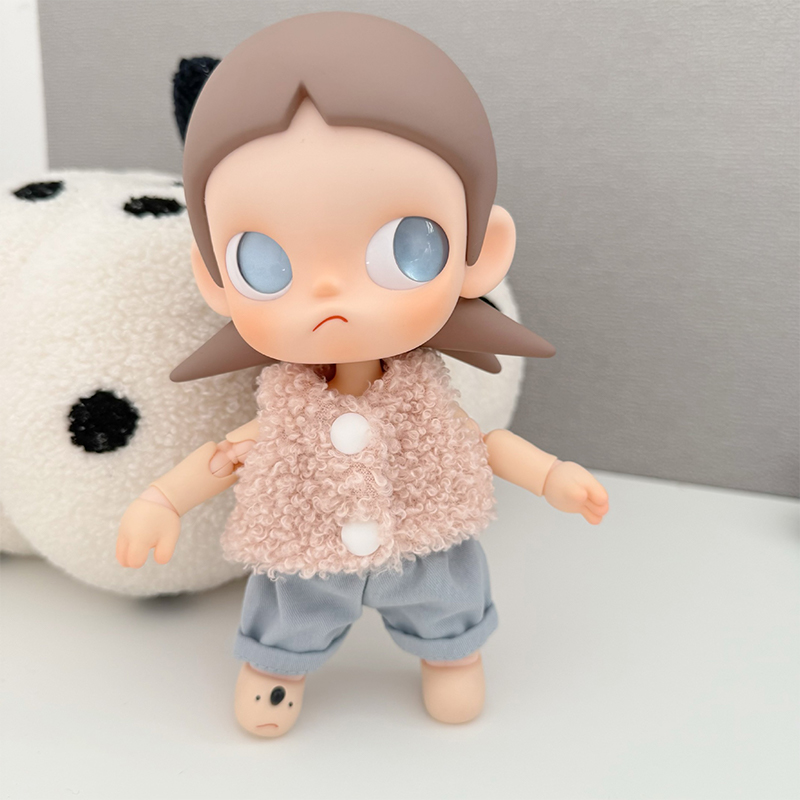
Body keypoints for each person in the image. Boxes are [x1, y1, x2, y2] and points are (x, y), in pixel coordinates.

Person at [116, 12, 609, 738]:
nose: (330, 294)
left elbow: (483, 444)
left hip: (425, 536)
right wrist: (161, 500)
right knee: (289, 607)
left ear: (481, 251)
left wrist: (552, 476)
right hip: (307, 548)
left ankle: (452, 654)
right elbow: (225, 457)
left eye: (407, 246)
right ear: (215, 279)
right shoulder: (285, 406)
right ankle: (278, 668)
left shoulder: (424, 398)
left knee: (447, 592)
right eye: (264, 262)